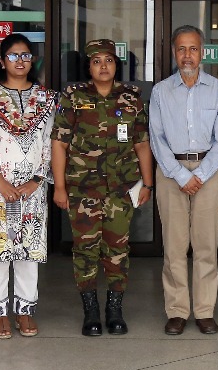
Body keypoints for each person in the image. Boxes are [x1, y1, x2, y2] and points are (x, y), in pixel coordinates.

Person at [53, 39, 153, 336]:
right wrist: (59, 187)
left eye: (108, 60)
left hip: (121, 189)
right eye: (96, 61)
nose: (103, 66)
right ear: (89, 67)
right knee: (85, 249)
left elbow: (142, 144)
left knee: (117, 249)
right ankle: (91, 311)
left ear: (116, 65)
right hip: (83, 190)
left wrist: (148, 183)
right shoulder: (73, 97)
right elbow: (59, 144)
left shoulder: (131, 98)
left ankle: (114, 309)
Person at [149, 25, 218, 335]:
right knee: (174, 246)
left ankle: (205, 310)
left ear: (202, 52)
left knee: (205, 245)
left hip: (209, 171)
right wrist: (182, 174)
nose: (187, 55)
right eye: (181, 49)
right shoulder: (160, 91)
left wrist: (199, 174)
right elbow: (156, 139)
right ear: (174, 52)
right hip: (171, 171)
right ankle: (177, 310)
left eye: (193, 49)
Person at [0, 34, 56, 339]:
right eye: (13, 55)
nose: (20, 61)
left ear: (33, 60)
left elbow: (50, 141)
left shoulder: (47, 98)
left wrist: (37, 180)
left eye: (26, 55)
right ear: (2, 60)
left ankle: (24, 310)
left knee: (28, 249)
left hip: (33, 187)